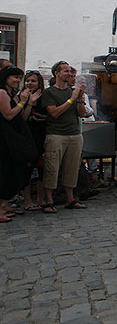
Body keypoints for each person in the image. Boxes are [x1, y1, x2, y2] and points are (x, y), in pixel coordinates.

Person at [40, 61, 87, 211]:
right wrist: (72, 99)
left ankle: (70, 199)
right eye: (65, 71)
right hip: (56, 135)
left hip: (74, 134)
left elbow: (81, 114)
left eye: (70, 72)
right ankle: (48, 200)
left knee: (72, 168)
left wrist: (79, 99)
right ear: (57, 73)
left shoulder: (72, 91)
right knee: (52, 168)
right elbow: (54, 113)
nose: (69, 74)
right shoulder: (49, 92)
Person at [0, 65, 40, 221]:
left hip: (14, 137)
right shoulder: (2, 93)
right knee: (5, 172)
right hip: (5, 139)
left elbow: (21, 117)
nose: (18, 80)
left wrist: (28, 103)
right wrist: (22, 102)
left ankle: (5, 205)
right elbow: (8, 115)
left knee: (12, 171)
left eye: (19, 77)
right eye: (15, 77)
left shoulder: (13, 94)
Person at [21, 70, 46, 211]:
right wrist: (29, 103)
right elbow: (22, 119)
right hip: (27, 137)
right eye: (28, 81)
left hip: (41, 135)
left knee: (43, 169)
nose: (30, 83)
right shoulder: (22, 96)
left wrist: (44, 118)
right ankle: (27, 200)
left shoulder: (44, 97)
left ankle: (41, 199)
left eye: (33, 81)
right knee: (28, 170)